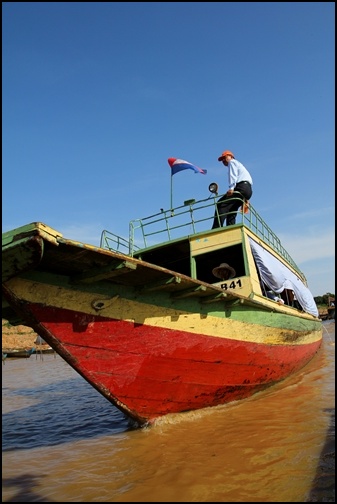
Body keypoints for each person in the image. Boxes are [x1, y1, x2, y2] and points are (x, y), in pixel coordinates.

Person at [211, 150, 253, 228]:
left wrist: (231, 188)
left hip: (241, 187)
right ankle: (231, 227)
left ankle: (216, 228)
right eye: (222, 159)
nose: (223, 160)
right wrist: (246, 197)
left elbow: (233, 175)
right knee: (232, 209)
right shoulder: (239, 164)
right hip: (247, 189)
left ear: (231, 156)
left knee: (221, 203)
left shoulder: (232, 162)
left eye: (224, 157)